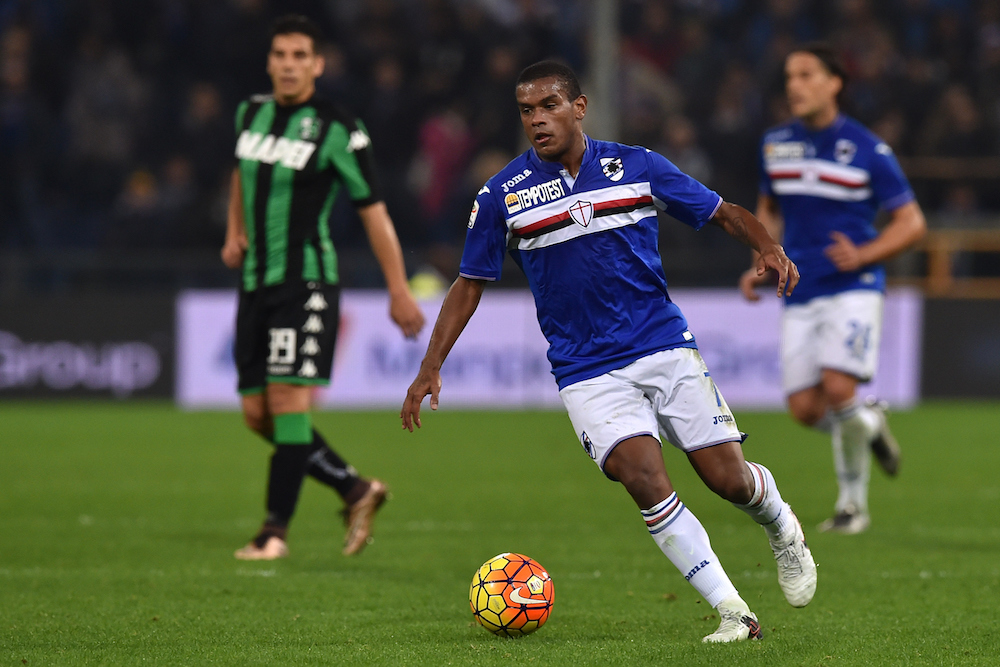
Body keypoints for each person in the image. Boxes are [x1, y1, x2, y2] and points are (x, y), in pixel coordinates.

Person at [401, 61, 816, 643]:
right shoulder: (500, 195)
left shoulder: (637, 165)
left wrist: (767, 246)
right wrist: (430, 365)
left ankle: (781, 526)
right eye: (526, 110)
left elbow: (722, 212)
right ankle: (734, 613)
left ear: (579, 107)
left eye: (549, 105)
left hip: (662, 345)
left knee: (727, 480)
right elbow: (469, 283)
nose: (537, 119)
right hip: (586, 368)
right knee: (642, 477)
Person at [222, 15, 425, 560]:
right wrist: (234, 230)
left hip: (306, 282)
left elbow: (373, 211)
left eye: (300, 56)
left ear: (317, 64)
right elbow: (240, 172)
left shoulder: (337, 127)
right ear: (270, 62)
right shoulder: (250, 113)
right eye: (280, 55)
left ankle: (273, 533)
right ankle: (355, 489)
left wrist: (398, 289)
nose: (289, 65)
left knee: (288, 402)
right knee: (257, 415)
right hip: (255, 282)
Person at [740, 44, 927, 535]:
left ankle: (851, 507)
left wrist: (865, 254)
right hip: (800, 288)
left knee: (839, 388)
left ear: (834, 83)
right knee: (805, 409)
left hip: (854, 285)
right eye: (789, 76)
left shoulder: (867, 149)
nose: (794, 85)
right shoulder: (775, 144)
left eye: (806, 75)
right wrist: (762, 255)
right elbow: (769, 209)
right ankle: (870, 424)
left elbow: (911, 222)